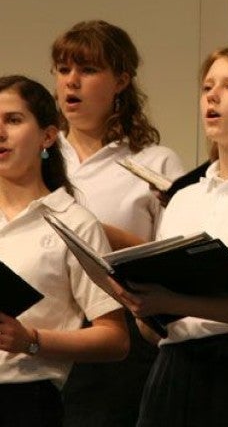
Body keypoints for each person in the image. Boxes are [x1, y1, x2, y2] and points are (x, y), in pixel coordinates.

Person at [111, 46, 228, 427]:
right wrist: (144, 308)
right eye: (206, 87)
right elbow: (156, 330)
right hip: (173, 369)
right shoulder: (184, 198)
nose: (212, 96)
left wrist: (175, 299)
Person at [51, 20, 185, 427]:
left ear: (121, 80)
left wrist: (96, 232)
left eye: (88, 70)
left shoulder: (154, 162)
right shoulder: (38, 154)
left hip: (119, 335)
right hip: (41, 324)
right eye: (63, 69)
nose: (71, 82)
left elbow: (176, 264)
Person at [0, 75, 129, 427]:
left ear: (47, 136)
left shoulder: (73, 222)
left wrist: (32, 341)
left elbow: (115, 338)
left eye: (12, 120)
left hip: (24, 399)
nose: (0, 132)